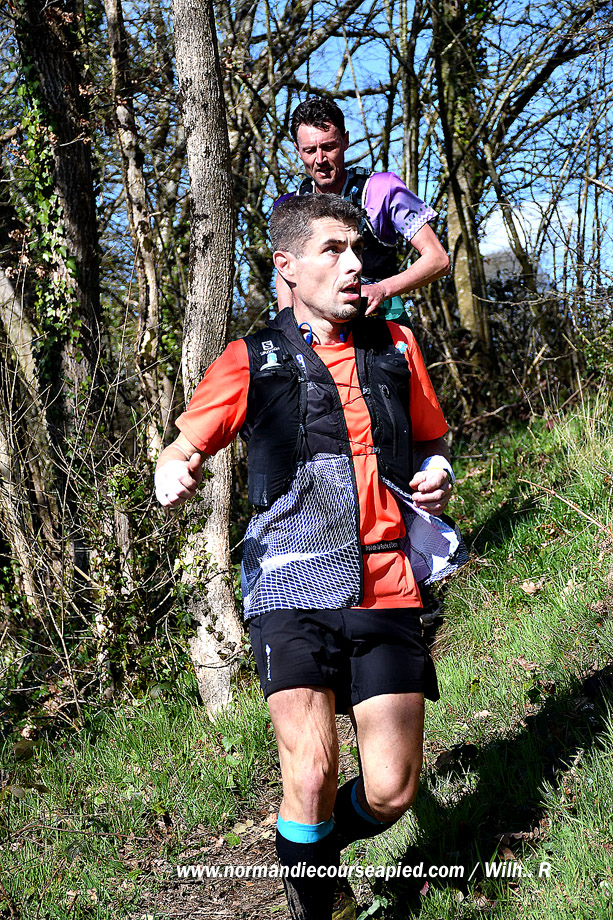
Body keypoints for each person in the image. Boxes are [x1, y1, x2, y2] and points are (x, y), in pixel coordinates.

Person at [155, 195, 465, 920]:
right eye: (333, 250)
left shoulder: (396, 345)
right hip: (289, 583)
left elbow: (432, 440)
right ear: (288, 267)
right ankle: (319, 900)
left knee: (392, 789)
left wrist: (439, 470)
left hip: (386, 581)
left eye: (356, 248)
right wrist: (173, 467)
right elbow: (184, 444)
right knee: (312, 773)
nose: (355, 264)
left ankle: (308, 856)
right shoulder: (252, 357)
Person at [275, 96, 450, 323]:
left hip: (381, 320)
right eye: (310, 150)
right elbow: (285, 273)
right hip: (317, 329)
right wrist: (286, 325)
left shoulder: (382, 190)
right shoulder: (289, 206)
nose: (320, 159)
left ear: (345, 140)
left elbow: (438, 259)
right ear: (297, 150)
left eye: (329, 147)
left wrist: (382, 289)